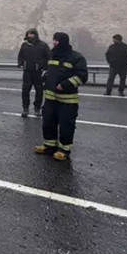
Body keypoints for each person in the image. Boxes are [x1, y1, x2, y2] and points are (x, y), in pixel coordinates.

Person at [33, 32, 88, 161]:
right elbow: (48, 70)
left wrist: (65, 85)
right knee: (48, 122)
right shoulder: (53, 55)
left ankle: (64, 149)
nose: (54, 43)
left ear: (63, 41)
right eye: (54, 40)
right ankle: (49, 145)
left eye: (57, 41)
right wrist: (45, 77)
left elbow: (82, 76)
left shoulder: (76, 57)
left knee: (66, 125)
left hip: (67, 100)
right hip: (50, 98)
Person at [17, 29, 51, 117]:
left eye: (31, 34)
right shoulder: (24, 45)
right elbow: (20, 56)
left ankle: (37, 108)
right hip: (27, 72)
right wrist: (20, 64)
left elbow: (49, 57)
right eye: (28, 34)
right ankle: (25, 108)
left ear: (35, 35)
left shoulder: (43, 45)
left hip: (39, 72)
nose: (30, 36)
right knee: (25, 91)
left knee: (39, 91)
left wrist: (45, 68)